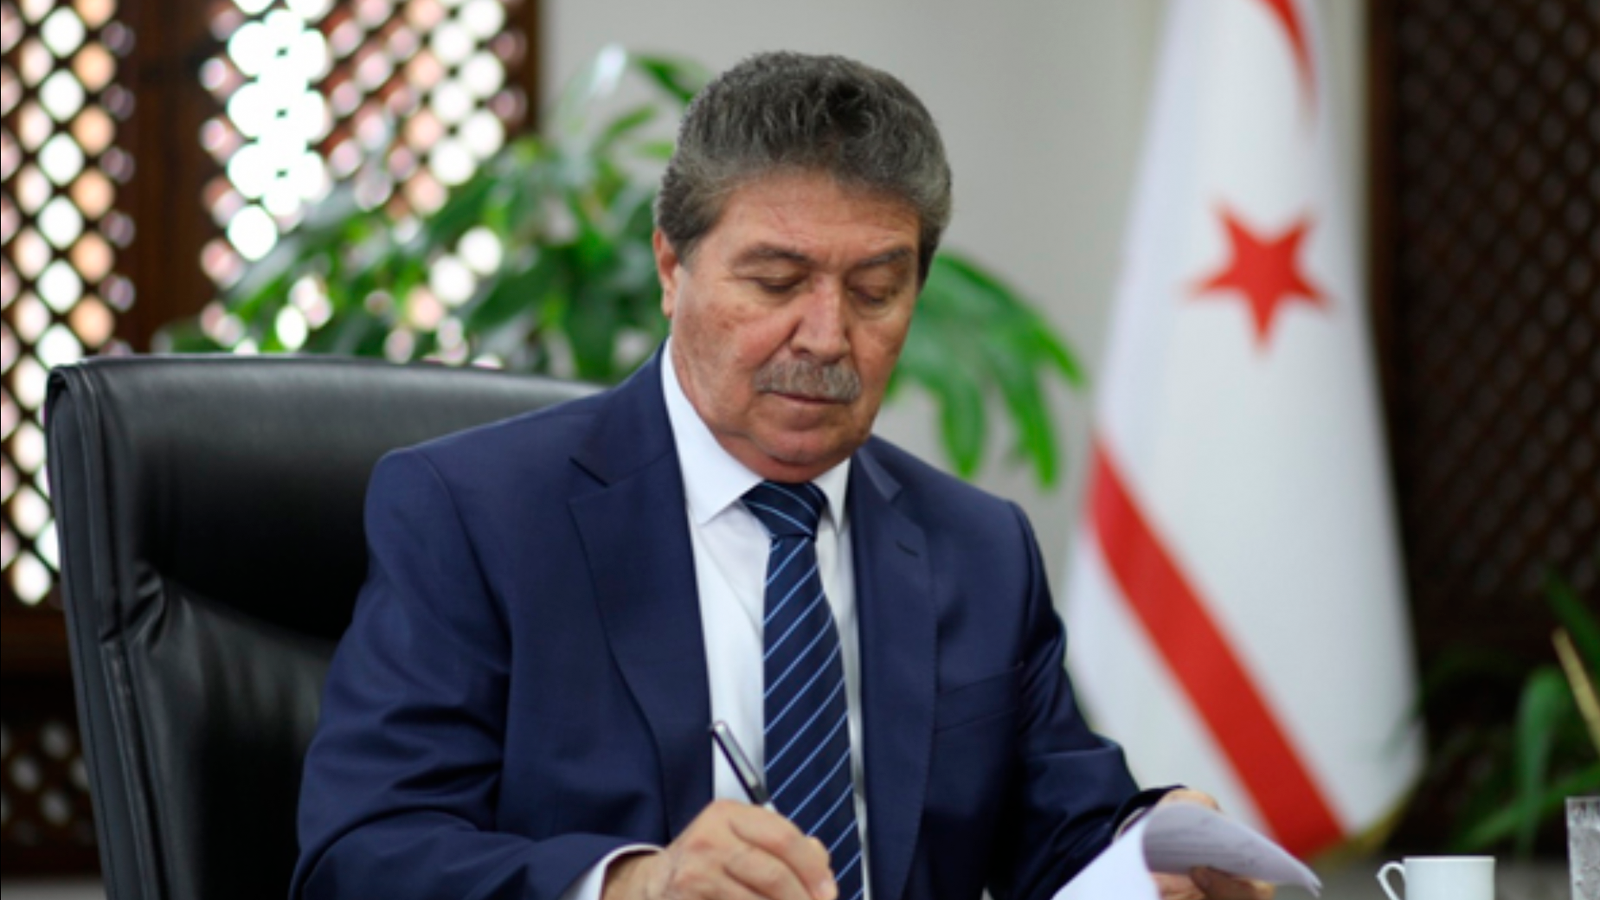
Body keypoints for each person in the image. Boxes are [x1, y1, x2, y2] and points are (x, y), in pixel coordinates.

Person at [292, 52, 1274, 900]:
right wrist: (633, 885)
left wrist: (1150, 853)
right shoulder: (477, 515)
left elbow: (1060, 836)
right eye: (775, 283)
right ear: (671, 268)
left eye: (876, 291)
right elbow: (362, 855)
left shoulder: (978, 548)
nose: (826, 336)